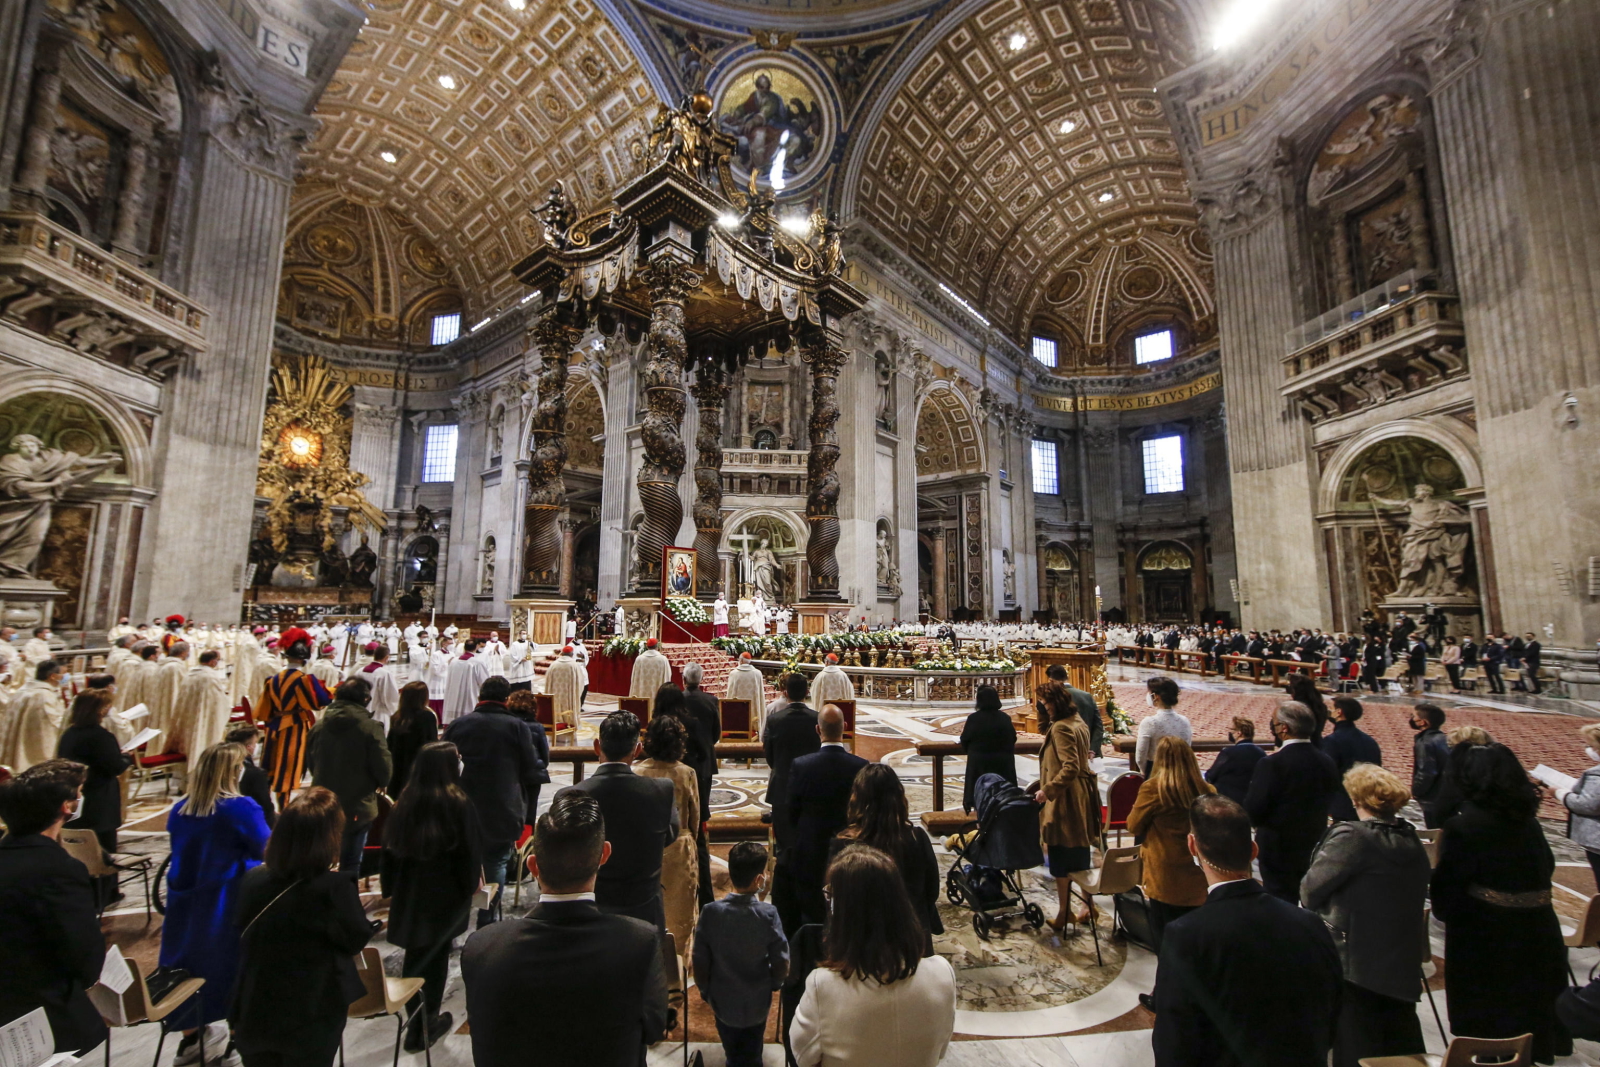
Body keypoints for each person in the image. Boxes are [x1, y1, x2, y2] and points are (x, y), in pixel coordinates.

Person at [461, 791, 671, 1067]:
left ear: (533, 866)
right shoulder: (640, 941)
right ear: (604, 855)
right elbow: (655, 1030)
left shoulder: (481, 947)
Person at [1151, 794, 1341, 1066]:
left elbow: (1175, 1041)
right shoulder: (1309, 922)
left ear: (1192, 846)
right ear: (1253, 850)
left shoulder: (1186, 935)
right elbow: (1331, 1012)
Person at [1431, 742, 1569, 1062]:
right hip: (1539, 930)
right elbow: (1546, 867)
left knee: (1491, 1023)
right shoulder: (1528, 822)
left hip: (1487, 937)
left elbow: (1446, 890)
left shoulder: (1463, 826)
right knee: (1530, 1015)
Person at [230, 788, 374, 1067]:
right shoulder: (334, 888)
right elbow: (355, 939)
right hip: (309, 1012)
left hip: (254, 1007)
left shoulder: (252, 880)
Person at [1301, 764, 1432, 1067]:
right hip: (1400, 959)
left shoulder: (1353, 838)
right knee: (1398, 1042)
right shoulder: (1410, 838)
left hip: (1355, 961)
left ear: (1356, 799)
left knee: (1356, 1046)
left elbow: (1309, 891)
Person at [789, 845, 955, 1067]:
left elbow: (802, 1058)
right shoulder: (942, 973)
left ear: (842, 913)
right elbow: (941, 1050)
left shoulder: (823, 986)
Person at [160, 742, 272, 1058]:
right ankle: (238, 1036)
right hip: (226, 897)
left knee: (185, 965)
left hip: (185, 898)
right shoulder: (240, 807)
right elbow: (266, 849)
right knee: (233, 965)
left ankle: (191, 1037)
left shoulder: (180, 809)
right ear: (233, 772)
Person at [0, 759, 108, 1055]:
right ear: (66, 806)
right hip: (42, 1013)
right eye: (79, 793)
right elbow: (82, 951)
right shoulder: (59, 869)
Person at [381, 742, 482, 1052]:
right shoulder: (458, 802)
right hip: (444, 895)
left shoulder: (404, 801)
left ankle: (416, 1020)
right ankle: (425, 1025)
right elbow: (469, 851)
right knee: (435, 960)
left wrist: (390, 889)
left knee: (416, 955)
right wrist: (471, 887)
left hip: (410, 893)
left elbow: (389, 850)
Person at [443, 676, 545, 925]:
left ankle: (457, 918)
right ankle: (486, 918)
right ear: (506, 699)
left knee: (463, 860)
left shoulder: (458, 725)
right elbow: (530, 765)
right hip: (502, 805)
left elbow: (444, 765)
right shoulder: (516, 727)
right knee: (496, 861)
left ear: (480, 695)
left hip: (461, 804)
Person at [569, 709, 677, 928]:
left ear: (597, 746)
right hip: (644, 910)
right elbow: (670, 835)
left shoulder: (572, 795)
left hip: (591, 913)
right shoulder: (661, 791)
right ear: (637, 750)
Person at [694, 840, 789, 1067]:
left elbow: (699, 959)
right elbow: (781, 959)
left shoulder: (710, 912)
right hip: (757, 1002)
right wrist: (775, 982)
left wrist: (705, 989)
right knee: (753, 1050)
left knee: (732, 1048)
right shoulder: (768, 914)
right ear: (759, 879)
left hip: (722, 1000)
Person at [828, 762, 941, 953]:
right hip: (911, 935)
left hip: (862, 941)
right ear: (898, 796)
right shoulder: (916, 837)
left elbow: (836, 899)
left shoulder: (844, 844)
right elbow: (932, 890)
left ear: (857, 798)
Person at [782, 705, 869, 931]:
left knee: (811, 911)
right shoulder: (861, 766)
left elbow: (791, 810)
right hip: (849, 850)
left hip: (811, 847)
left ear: (818, 729)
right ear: (846, 728)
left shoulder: (801, 765)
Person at [1242, 701, 1339, 902]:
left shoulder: (1272, 763)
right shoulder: (1326, 761)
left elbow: (1254, 810)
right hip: (1314, 841)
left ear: (1284, 728)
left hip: (1278, 847)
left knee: (1280, 900)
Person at [1125, 737, 1212, 954]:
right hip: (1197, 871)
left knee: (1166, 940)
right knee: (1193, 940)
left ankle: (1165, 987)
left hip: (1165, 872)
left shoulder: (1154, 788)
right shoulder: (1207, 788)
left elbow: (1133, 825)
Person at [307, 675, 393, 873]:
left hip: (323, 800)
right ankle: (348, 899)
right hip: (357, 803)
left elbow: (311, 764)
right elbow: (384, 771)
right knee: (351, 860)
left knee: (322, 856)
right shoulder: (369, 728)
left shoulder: (318, 726)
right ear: (365, 699)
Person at [1035, 680, 1101, 930]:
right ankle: (1088, 906)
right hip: (1081, 795)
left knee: (1061, 854)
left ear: (1053, 703)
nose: (1042, 706)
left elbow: (1070, 766)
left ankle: (1065, 913)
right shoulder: (1077, 721)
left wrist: (1047, 790)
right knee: (1080, 853)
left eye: (1044, 702)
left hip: (1066, 799)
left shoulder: (1062, 727)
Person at [55, 690, 133, 901]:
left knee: (80, 845)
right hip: (100, 797)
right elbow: (114, 766)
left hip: (76, 795)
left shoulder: (69, 734)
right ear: (98, 710)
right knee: (104, 845)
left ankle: (85, 890)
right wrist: (126, 759)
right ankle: (107, 894)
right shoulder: (101, 736)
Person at [634, 713, 699, 951]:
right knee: (680, 914)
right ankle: (678, 967)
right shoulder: (686, 773)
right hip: (679, 848)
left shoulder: (638, 772)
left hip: (645, 846)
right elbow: (694, 817)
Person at [255, 628, 332, 809]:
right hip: (294, 727)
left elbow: (263, 710)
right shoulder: (302, 679)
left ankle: (265, 805)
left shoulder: (272, 679)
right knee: (287, 767)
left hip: (273, 726)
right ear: (303, 658)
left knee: (269, 765)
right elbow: (318, 702)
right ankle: (284, 807)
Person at [763, 673, 821, 862]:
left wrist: (780, 768)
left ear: (785, 693)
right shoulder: (817, 718)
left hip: (782, 786)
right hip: (810, 787)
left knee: (783, 845)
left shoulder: (775, 720)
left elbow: (769, 754)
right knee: (809, 839)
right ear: (807, 692)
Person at [681, 661, 722, 905]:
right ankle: (700, 839)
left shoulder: (677, 702)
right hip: (704, 763)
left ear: (684, 679)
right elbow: (716, 733)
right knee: (702, 810)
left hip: (682, 760)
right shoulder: (711, 701)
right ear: (701, 679)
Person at [1321, 696, 1382, 821]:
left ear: (1339, 712)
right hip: (1368, 801)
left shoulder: (1332, 741)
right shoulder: (1370, 741)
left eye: (1331, 708)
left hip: (1342, 804)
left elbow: (1327, 774)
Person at [958, 684, 1016, 813]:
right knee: (1003, 800)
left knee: (981, 800)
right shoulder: (1005, 718)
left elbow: (965, 740)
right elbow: (1013, 739)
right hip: (1003, 764)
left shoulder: (974, 719)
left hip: (979, 765)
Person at [0, 659, 66, 771]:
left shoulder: (22, 691)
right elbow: (52, 727)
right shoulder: (44, 696)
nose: (64, 677)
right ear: (53, 676)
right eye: (63, 674)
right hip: (33, 759)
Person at [503, 690, 551, 824]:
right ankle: (529, 842)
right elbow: (545, 757)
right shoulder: (537, 727)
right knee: (530, 814)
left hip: (511, 776)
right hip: (533, 776)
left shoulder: (506, 725)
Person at [387, 681, 438, 797]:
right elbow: (432, 745)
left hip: (397, 768)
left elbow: (389, 744)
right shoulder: (427, 717)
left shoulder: (397, 716)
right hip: (418, 769)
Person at [1134, 676, 1190, 777]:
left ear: (1156, 696)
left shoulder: (1149, 722)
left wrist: (1144, 771)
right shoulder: (1184, 721)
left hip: (1155, 770)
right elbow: (1187, 750)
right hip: (1179, 772)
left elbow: (1140, 755)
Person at [1203, 716, 1265, 805]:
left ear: (1239, 733)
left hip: (1226, 801)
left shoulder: (1228, 752)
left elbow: (1211, 776)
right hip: (1252, 799)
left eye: (1232, 730)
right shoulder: (1261, 753)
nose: (1230, 733)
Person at [227, 724, 277, 829]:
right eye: (255, 743)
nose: (256, 746)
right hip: (249, 820)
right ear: (248, 747)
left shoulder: (220, 762)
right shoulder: (255, 774)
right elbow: (265, 806)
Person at [1410, 703, 1451, 828]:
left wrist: (1416, 791)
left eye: (1414, 716)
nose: (1412, 719)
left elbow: (1427, 772)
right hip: (1446, 793)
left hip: (1432, 797)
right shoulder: (1445, 738)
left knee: (1435, 831)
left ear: (1423, 722)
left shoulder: (1425, 742)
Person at [356, 644, 401, 729]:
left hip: (361, 711)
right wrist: (394, 711)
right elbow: (390, 696)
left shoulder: (360, 671)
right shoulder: (384, 673)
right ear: (387, 657)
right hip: (379, 713)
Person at [1285, 673, 1329, 744]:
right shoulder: (1320, 705)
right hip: (1317, 743)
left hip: (1297, 745)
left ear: (1295, 690)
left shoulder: (1294, 708)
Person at [628, 638, 672, 709]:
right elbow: (668, 676)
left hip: (642, 694)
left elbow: (634, 678)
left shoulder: (639, 659)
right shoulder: (663, 659)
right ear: (657, 646)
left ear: (647, 646)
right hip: (657, 693)